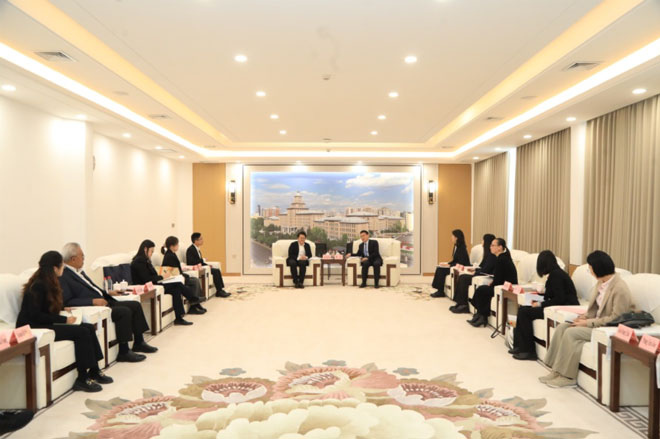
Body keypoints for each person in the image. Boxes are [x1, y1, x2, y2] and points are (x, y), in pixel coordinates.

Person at [16, 251, 110, 392]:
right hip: (34, 327)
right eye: (62, 266)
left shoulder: (47, 282)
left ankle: (94, 370)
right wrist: (64, 319)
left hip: (44, 323)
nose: (63, 269)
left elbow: (46, 307)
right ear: (55, 268)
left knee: (88, 327)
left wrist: (62, 308)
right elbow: (36, 315)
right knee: (81, 332)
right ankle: (82, 378)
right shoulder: (38, 285)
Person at [540, 251, 634, 388]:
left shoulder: (619, 288)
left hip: (606, 327)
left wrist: (587, 323)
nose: (589, 271)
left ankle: (567, 377)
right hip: (594, 322)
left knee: (571, 333)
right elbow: (595, 309)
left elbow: (616, 318)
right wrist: (583, 318)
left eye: (590, 267)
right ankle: (555, 370)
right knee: (562, 328)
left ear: (598, 268)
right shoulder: (601, 283)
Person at [60, 243, 156, 362]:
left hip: (105, 300)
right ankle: (124, 351)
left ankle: (139, 342)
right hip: (95, 306)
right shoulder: (64, 275)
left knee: (135, 305)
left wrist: (108, 292)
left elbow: (93, 288)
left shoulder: (79, 272)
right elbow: (68, 301)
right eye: (82, 256)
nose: (84, 259)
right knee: (124, 311)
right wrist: (92, 301)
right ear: (73, 259)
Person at [510, 250, 579, 360]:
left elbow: (559, 299)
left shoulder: (556, 275)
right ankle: (519, 346)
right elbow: (551, 295)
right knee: (522, 309)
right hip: (556, 305)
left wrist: (540, 304)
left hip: (563, 307)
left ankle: (529, 351)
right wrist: (538, 298)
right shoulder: (555, 274)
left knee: (524, 313)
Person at [130, 240, 197, 326]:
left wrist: (162, 277)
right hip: (148, 287)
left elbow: (153, 275)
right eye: (151, 251)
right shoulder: (139, 262)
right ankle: (192, 298)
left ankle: (179, 318)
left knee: (176, 290)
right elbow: (147, 279)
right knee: (178, 284)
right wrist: (162, 277)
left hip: (154, 284)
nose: (152, 254)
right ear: (145, 249)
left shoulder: (145, 260)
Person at [467, 237, 518, 327]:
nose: (490, 247)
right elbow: (499, 277)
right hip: (502, 284)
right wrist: (493, 282)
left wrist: (493, 283)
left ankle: (482, 316)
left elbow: (499, 278)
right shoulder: (502, 257)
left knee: (481, 290)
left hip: (506, 288)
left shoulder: (501, 259)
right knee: (482, 290)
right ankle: (480, 315)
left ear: (500, 247)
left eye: (493, 245)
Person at [449, 233, 496, 313]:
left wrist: (475, 272)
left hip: (485, 276)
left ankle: (464, 305)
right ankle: (460, 303)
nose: (482, 242)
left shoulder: (492, 255)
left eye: (483, 240)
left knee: (464, 278)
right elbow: (482, 266)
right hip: (481, 273)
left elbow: (486, 270)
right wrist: (474, 269)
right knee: (462, 276)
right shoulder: (487, 253)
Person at [161, 236, 207, 314]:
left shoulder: (171, 254)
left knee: (194, 280)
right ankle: (194, 304)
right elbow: (174, 271)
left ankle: (196, 303)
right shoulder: (169, 256)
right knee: (194, 281)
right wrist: (183, 275)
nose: (178, 246)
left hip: (177, 276)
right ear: (172, 246)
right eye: (177, 244)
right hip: (174, 278)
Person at [186, 232, 231, 298]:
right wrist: (203, 260)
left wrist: (207, 265)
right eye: (201, 239)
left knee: (217, 270)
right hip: (196, 268)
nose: (202, 240)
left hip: (201, 267)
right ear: (196, 241)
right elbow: (191, 262)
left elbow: (199, 261)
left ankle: (220, 290)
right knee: (215, 271)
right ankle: (219, 291)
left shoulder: (197, 249)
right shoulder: (190, 249)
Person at [431, 229, 470, 298]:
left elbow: (461, 262)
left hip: (460, 268)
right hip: (455, 265)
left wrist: (449, 265)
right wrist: (447, 263)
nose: (451, 237)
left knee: (441, 270)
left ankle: (440, 291)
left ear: (456, 238)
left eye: (452, 236)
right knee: (439, 267)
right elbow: (455, 260)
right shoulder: (456, 246)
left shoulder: (462, 248)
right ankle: (439, 290)